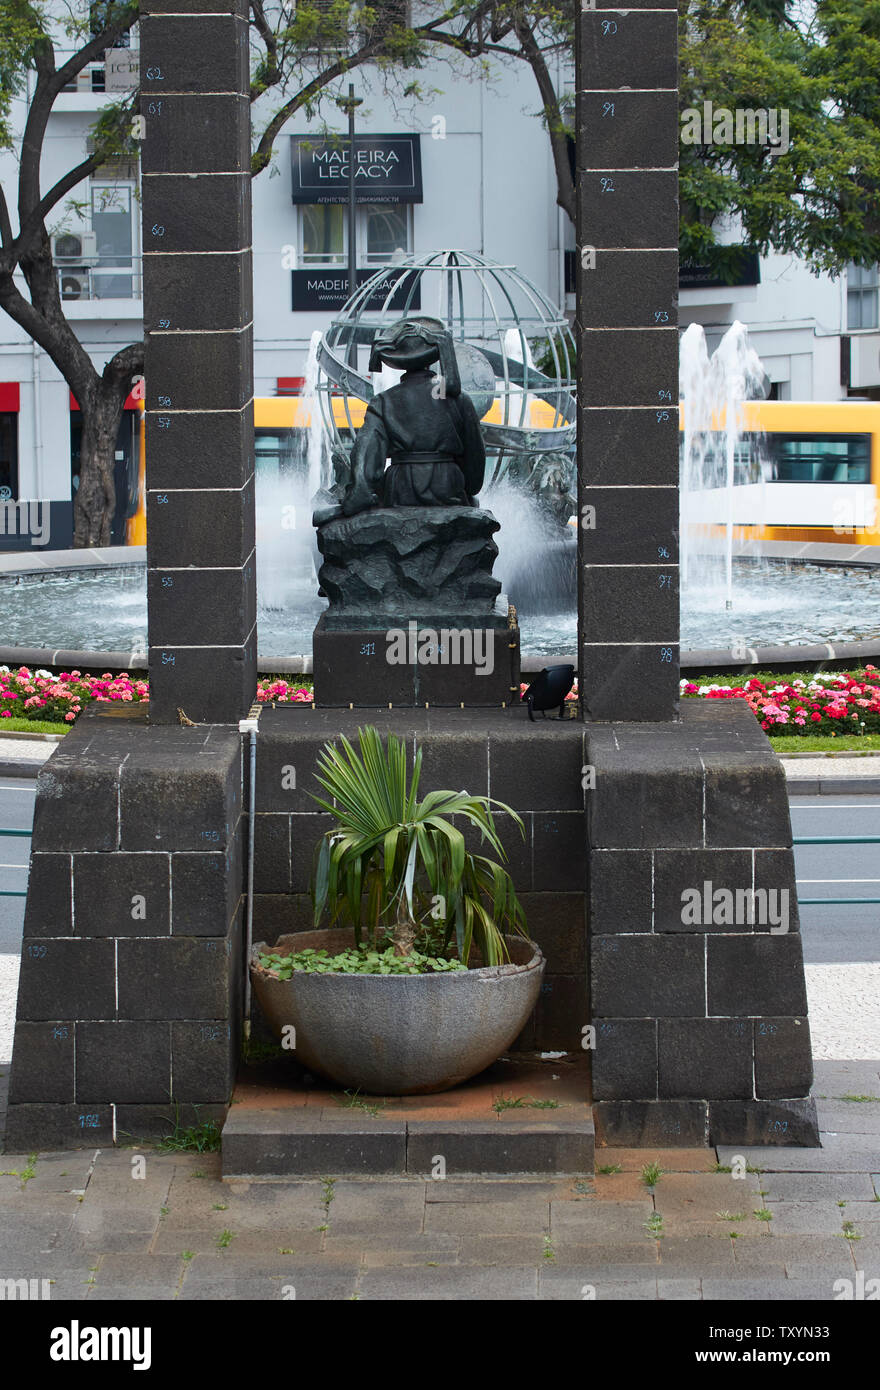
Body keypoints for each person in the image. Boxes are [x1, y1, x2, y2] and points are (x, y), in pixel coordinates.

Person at [340, 316, 486, 516]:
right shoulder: (459, 399)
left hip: (400, 490)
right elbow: (475, 457)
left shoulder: (383, 401)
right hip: (448, 487)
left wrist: (359, 493)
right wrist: (468, 488)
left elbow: (366, 454)